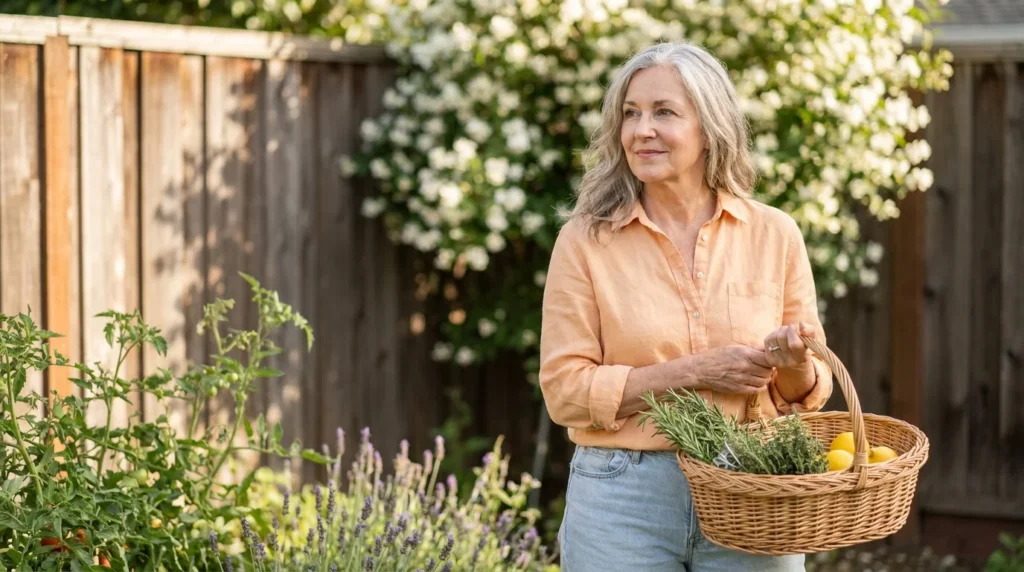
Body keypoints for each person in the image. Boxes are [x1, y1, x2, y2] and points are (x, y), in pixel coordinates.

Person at [538, 41, 834, 571]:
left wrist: (795, 364)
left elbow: (804, 396)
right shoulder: (585, 241)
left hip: (754, 486)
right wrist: (695, 372)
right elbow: (564, 392)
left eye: (664, 112)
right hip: (622, 497)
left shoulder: (774, 234)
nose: (641, 129)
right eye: (631, 114)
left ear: (709, 127)